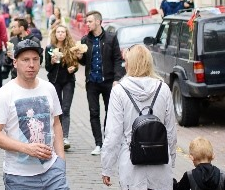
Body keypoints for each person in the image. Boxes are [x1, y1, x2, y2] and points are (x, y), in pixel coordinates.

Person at [0, 38, 68, 189]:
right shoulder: (4, 94)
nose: (31, 65)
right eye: (25, 60)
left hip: (53, 172)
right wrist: (27, 148)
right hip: (19, 177)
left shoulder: (49, 88)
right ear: (15, 63)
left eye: (35, 59)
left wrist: (61, 160)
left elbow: (56, 123)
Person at [99, 45, 177, 189]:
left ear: (129, 63)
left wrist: (107, 167)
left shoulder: (119, 91)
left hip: (131, 163)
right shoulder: (163, 88)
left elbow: (113, 133)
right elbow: (170, 131)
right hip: (159, 163)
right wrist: (171, 160)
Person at [80, 10, 121, 156]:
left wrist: (117, 79)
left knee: (110, 113)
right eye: (87, 21)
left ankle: (108, 141)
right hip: (92, 81)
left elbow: (117, 59)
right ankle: (98, 143)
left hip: (108, 81)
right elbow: (84, 62)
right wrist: (79, 57)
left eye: (90, 21)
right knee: (93, 112)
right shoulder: (85, 40)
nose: (87, 24)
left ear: (98, 21)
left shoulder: (111, 38)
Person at [45, 23, 81, 151]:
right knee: (56, 109)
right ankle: (57, 134)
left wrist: (74, 69)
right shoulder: (50, 48)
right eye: (58, 32)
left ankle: (65, 137)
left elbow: (76, 65)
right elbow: (47, 68)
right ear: (55, 34)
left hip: (68, 81)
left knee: (66, 109)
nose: (60, 34)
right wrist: (52, 62)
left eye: (63, 32)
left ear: (66, 35)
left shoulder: (71, 48)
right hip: (54, 81)